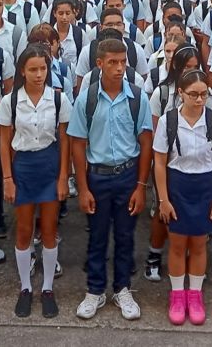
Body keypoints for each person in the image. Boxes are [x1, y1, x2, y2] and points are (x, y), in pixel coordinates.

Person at [69, 39, 154, 321]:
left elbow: (145, 142)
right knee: (97, 235)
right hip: (98, 176)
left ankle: (122, 288)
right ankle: (95, 289)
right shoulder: (87, 98)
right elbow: (78, 144)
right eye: (113, 62)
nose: (119, 68)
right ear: (99, 64)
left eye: (123, 62)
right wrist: (82, 187)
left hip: (128, 175)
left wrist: (141, 186)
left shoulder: (138, 98)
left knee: (126, 235)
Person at [0, 45, 71, 319]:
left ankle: (48, 288)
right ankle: (26, 287)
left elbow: (65, 140)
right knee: (24, 230)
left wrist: (64, 176)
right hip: (24, 167)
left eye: (43, 69)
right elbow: (5, 142)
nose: (39, 74)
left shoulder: (58, 99)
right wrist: (7, 178)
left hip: (49, 165)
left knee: (49, 229)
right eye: (33, 69)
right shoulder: (11, 101)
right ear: (22, 71)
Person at [153, 69, 212, 326]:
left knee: (199, 243)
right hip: (178, 184)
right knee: (176, 244)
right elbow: (160, 162)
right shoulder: (168, 121)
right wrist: (163, 199)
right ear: (181, 94)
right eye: (193, 94)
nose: (199, 100)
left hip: (204, 184)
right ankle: (177, 294)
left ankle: (195, 294)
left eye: (204, 94)